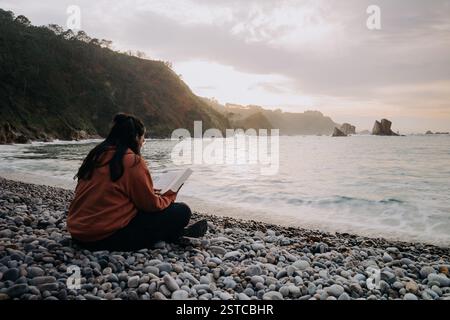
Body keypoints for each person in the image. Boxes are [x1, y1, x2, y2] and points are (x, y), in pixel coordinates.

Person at [67, 113, 207, 251]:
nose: (142, 143)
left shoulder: (95, 156)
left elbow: (113, 191)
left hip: (78, 232)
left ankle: (174, 234)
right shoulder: (132, 161)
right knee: (182, 211)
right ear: (135, 138)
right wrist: (170, 194)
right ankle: (175, 234)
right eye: (143, 138)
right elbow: (150, 206)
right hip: (105, 237)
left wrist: (150, 192)